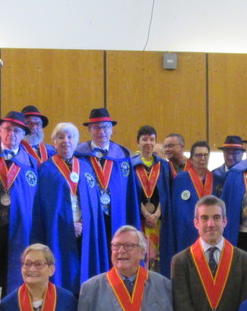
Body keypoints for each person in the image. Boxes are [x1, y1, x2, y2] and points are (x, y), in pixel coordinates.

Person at [74, 108, 141, 277]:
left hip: (117, 216)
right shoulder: (78, 155)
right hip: (90, 218)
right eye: (96, 127)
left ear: (111, 129)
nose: (101, 132)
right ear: (89, 130)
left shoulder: (123, 155)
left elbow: (130, 194)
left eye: (105, 127)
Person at [32, 122, 98, 293]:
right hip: (59, 232)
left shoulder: (85, 168)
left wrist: (84, 223)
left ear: (76, 141)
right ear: (54, 142)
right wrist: (68, 225)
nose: (65, 141)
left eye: (70, 137)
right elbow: (47, 209)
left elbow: (93, 205)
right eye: (60, 137)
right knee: (64, 274)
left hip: (85, 231)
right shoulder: (46, 169)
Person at [0, 111, 40, 298]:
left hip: (18, 229)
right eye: (7, 129)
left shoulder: (31, 163)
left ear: (23, 135)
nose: (11, 134)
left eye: (16, 131)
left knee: (14, 274)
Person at [164, 140, 214, 257]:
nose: (202, 158)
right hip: (186, 232)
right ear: (191, 159)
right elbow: (175, 209)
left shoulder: (216, 179)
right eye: (198, 155)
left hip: (210, 230)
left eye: (205, 155)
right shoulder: (180, 179)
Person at [132, 125, 171, 273]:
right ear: (138, 142)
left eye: (151, 139)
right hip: (140, 219)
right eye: (144, 139)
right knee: (141, 253)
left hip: (159, 220)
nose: (148, 143)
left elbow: (167, 192)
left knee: (158, 257)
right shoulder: (131, 164)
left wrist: (156, 215)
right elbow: (132, 193)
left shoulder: (164, 165)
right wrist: (147, 214)